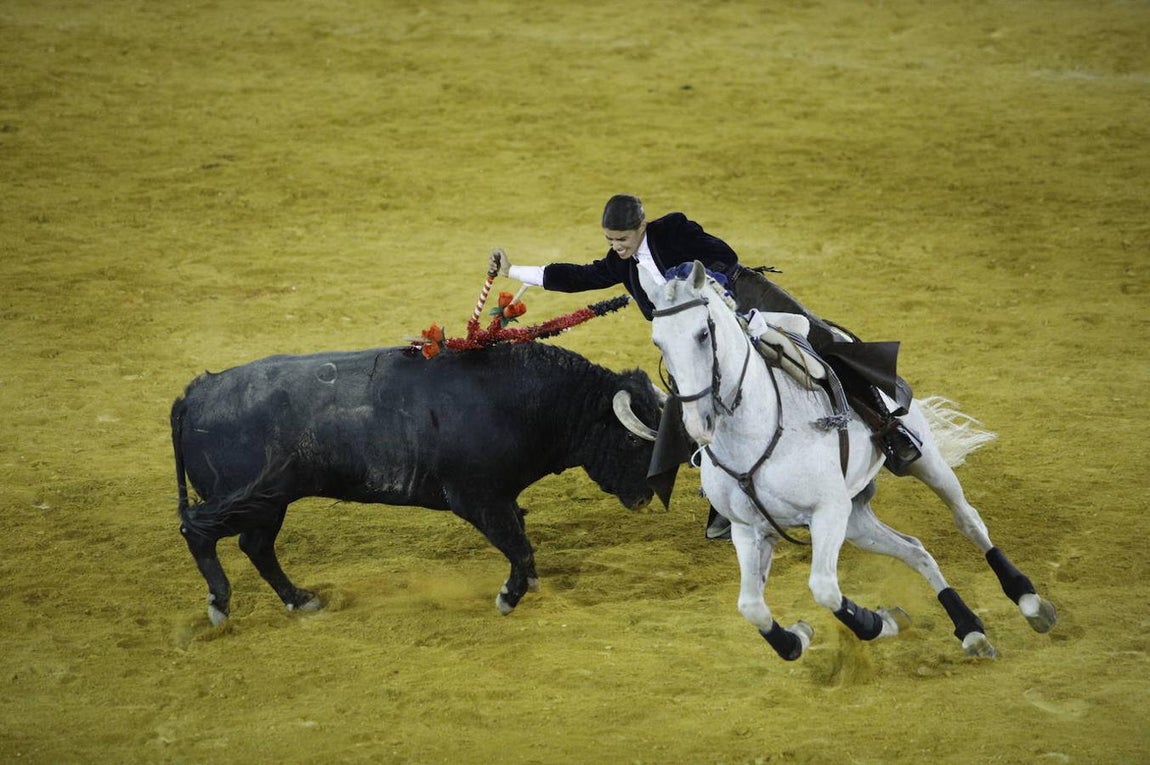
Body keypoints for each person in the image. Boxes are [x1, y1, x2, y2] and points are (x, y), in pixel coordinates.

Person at [489, 194, 921, 539]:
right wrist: (513, 272)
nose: (616, 248)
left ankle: (887, 425)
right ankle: (724, 502)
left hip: (745, 307)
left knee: (818, 338)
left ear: (642, 226)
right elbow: (576, 276)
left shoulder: (673, 229)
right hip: (695, 345)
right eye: (610, 241)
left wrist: (697, 279)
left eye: (622, 239)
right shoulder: (621, 262)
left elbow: (723, 254)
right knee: (694, 411)